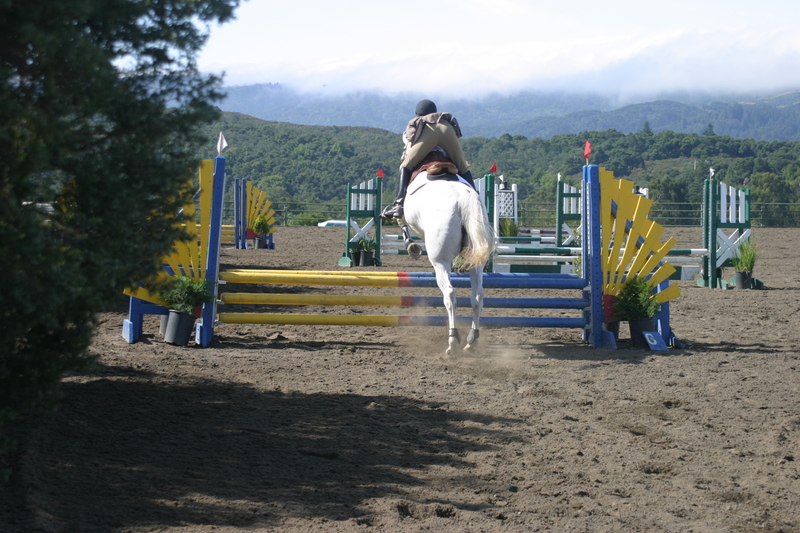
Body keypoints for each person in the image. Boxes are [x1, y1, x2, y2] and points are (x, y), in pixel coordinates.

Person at [380, 99, 476, 219]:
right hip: (447, 129)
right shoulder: (443, 118)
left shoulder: (420, 120)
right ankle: (477, 202)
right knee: (463, 167)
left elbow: (410, 138)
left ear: (418, 113)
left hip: (429, 131)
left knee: (406, 165)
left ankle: (398, 204)